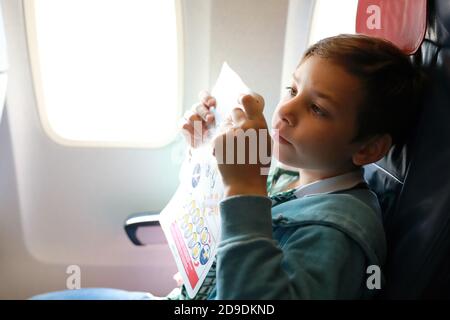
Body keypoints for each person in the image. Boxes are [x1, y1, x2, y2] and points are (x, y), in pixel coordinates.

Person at [31, 34, 423, 300]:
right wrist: (203, 152)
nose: (284, 110)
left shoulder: (337, 235)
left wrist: (244, 189)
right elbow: (214, 225)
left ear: (369, 148)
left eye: (317, 108)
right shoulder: (293, 175)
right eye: (292, 90)